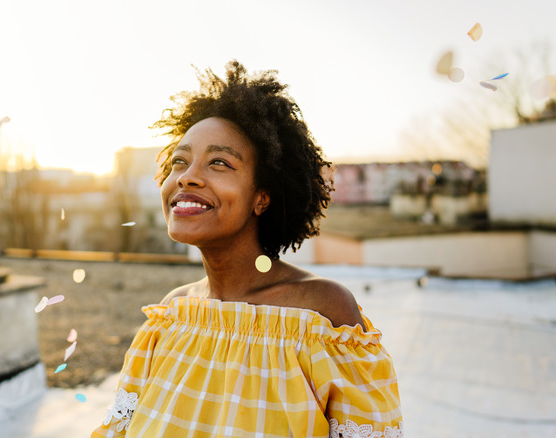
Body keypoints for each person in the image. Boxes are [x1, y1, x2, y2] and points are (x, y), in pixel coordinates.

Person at [91, 60, 403, 438]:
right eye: (179, 161)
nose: (187, 176)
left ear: (261, 197)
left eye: (219, 162)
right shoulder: (169, 318)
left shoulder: (321, 315)